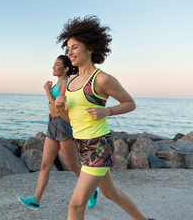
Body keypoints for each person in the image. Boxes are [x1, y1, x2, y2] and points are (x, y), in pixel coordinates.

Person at [55, 16, 153, 220]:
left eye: (74, 47)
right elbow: (70, 119)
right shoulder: (70, 82)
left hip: (99, 144)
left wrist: (106, 111)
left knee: (75, 205)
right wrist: (61, 108)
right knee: (111, 193)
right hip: (82, 144)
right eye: (68, 49)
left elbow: (130, 103)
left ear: (90, 48)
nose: (70, 53)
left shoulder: (101, 79)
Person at [18, 55, 98, 210]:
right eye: (53, 65)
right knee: (44, 165)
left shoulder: (66, 84)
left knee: (72, 165)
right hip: (52, 125)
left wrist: (47, 91)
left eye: (57, 65)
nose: (53, 67)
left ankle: (92, 190)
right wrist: (49, 90)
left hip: (62, 125)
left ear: (66, 68)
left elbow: (57, 108)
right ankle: (36, 200)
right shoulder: (58, 84)